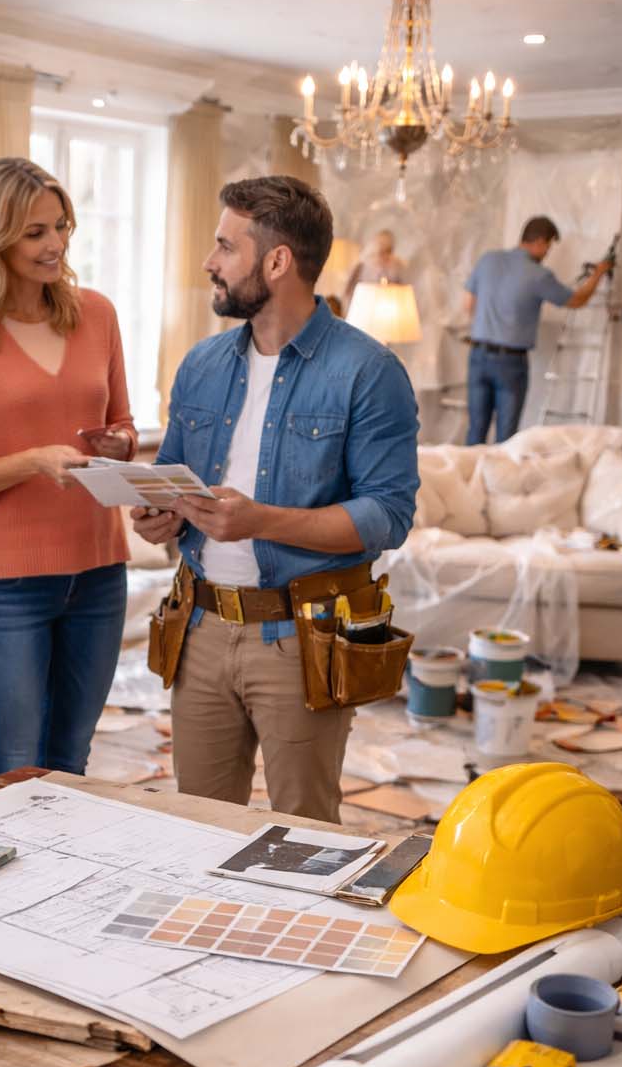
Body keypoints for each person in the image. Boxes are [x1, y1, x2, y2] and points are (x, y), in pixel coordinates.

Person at [132, 176, 418, 823]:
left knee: (305, 830)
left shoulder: (368, 372)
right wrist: (158, 516)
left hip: (303, 634)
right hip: (198, 628)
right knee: (197, 829)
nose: (210, 263)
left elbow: (389, 514)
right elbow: (174, 481)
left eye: (225, 247)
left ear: (277, 261)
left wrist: (261, 522)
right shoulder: (201, 364)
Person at [0, 157, 136, 780]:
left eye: (61, 226)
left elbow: (124, 424)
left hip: (99, 570)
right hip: (6, 584)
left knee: (71, 760)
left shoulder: (96, 313)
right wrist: (32, 462)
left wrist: (117, 444)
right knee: (14, 766)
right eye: (35, 231)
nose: (56, 244)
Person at [463, 216, 612, 445]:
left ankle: (469, 479)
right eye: (549, 247)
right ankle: (500, 480)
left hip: (478, 354)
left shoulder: (487, 260)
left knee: (475, 431)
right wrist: (598, 273)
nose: (547, 253)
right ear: (540, 242)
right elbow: (577, 299)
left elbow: (468, 305)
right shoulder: (539, 275)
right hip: (510, 363)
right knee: (506, 439)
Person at [344, 228, 407, 310]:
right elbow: (348, 293)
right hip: (364, 309)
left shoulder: (397, 268)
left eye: (388, 250)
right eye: (381, 250)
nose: (384, 255)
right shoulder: (362, 266)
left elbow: (402, 296)